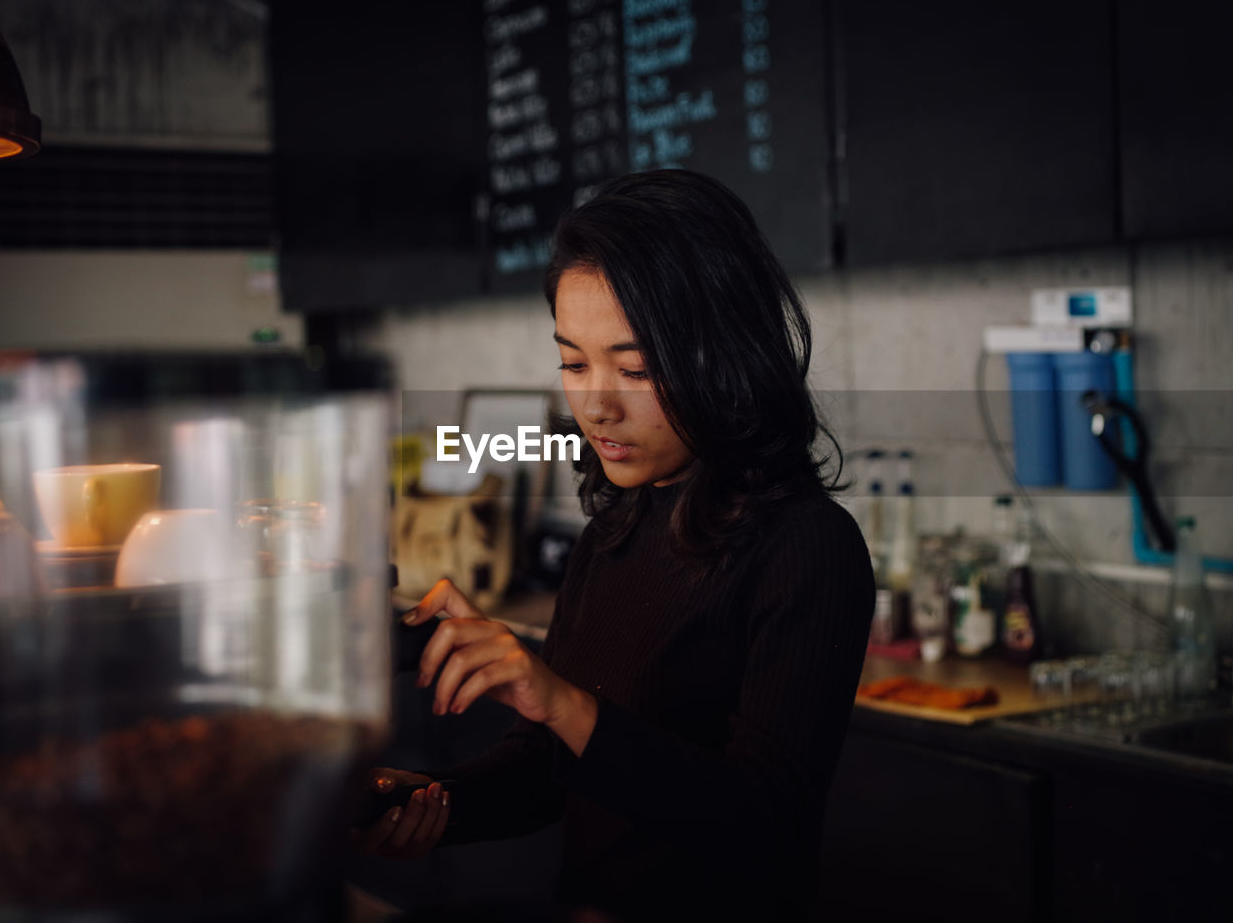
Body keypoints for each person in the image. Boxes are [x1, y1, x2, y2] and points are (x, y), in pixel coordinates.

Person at [353, 169, 875, 921]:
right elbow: (549, 769)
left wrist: (559, 700)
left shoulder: (808, 547)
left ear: (725, 361)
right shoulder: (616, 530)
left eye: (635, 368)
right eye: (573, 362)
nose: (596, 403)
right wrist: (430, 802)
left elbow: (767, 824)